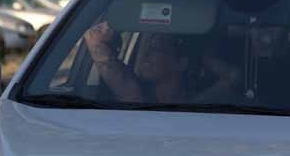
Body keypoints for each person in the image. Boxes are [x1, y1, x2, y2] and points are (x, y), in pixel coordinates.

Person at [83, 21, 240, 104]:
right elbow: (93, 39)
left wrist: (199, 54)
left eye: (156, 48)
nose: (145, 54)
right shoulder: (137, 98)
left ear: (180, 63)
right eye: (146, 47)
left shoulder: (197, 104)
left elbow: (233, 77)